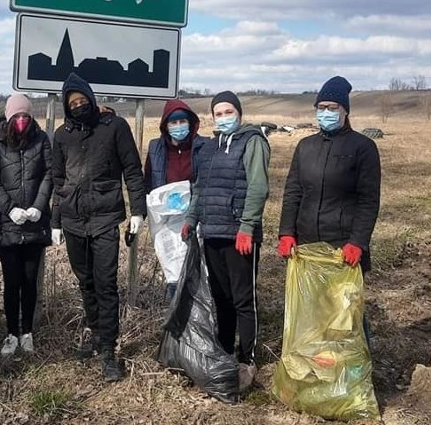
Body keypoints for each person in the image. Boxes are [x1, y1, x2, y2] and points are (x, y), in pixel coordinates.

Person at [51, 73, 146, 382]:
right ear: (67, 107)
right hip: (74, 221)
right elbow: (58, 181)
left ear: (91, 99)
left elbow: (132, 170)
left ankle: (109, 349)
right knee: (86, 282)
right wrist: (55, 222)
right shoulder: (62, 135)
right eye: (72, 103)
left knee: (105, 285)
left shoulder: (114, 127)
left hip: (106, 218)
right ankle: (94, 337)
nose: (78, 106)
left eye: (82, 100)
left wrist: (138, 212)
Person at [276, 76, 381, 341]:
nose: (326, 113)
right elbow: (293, 192)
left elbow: (369, 200)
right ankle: (317, 370)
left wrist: (358, 242)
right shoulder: (305, 147)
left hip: (343, 248)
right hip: (307, 246)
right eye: (321, 107)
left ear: (345, 111)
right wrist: (286, 232)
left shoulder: (363, 148)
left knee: (347, 314)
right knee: (312, 312)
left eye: (332, 108)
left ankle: (356, 370)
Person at [181, 91, 271, 393]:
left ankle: (248, 359)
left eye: (228, 112)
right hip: (212, 233)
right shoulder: (208, 148)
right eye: (218, 113)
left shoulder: (253, 141)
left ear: (239, 113)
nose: (223, 118)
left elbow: (258, 186)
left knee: (244, 299)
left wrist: (247, 227)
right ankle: (223, 352)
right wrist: (191, 220)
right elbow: (199, 189)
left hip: (239, 235)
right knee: (221, 298)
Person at [0, 94, 53, 357]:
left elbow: (49, 173)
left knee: (30, 281)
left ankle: (27, 333)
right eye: (17, 116)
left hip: (35, 222)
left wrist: (38, 205)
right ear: (9, 117)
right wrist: (9, 209)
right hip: (7, 223)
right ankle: (11, 333)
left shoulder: (41, 139)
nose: (22, 121)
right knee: (12, 281)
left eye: (26, 116)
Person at [143, 99, 206, 301]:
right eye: (173, 122)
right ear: (165, 126)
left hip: (195, 217)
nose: (178, 126)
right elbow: (148, 183)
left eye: (182, 121)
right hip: (166, 221)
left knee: (197, 268)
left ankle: (200, 318)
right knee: (172, 269)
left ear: (191, 122)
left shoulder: (203, 147)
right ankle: (175, 320)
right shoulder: (156, 148)